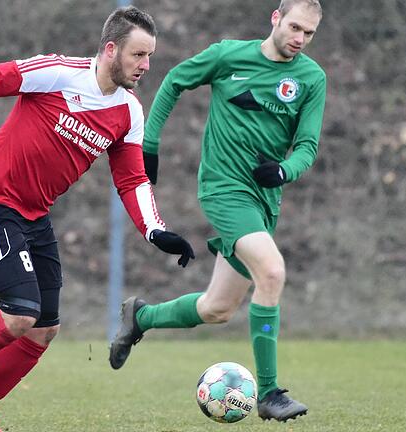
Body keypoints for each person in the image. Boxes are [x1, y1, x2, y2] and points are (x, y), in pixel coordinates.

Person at [0, 6, 195, 432]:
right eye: (138, 55)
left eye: (149, 57)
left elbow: (132, 179)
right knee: (20, 315)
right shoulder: (58, 73)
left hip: (34, 216)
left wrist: (155, 229)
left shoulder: (129, 112)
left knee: (43, 330)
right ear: (111, 50)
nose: (146, 66)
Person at [108, 0, 326, 423]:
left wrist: (284, 170)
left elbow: (307, 147)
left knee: (217, 308)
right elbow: (173, 81)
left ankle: (141, 317)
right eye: (295, 27)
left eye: (310, 33)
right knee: (273, 272)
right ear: (275, 19)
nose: (300, 39)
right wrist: (148, 145)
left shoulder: (311, 78)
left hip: (264, 202)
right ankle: (269, 394)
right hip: (224, 190)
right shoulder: (229, 55)